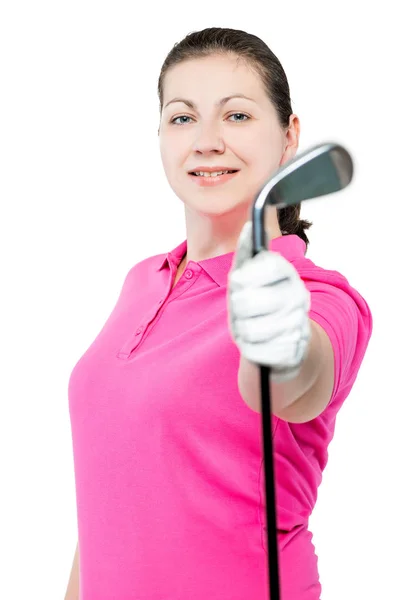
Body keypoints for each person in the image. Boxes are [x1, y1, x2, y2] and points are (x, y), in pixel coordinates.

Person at [65, 27, 373, 600]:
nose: (206, 141)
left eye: (236, 116)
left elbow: (296, 382)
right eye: (183, 118)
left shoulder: (320, 297)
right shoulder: (141, 280)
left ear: (288, 138)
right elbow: (109, 506)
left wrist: (280, 348)